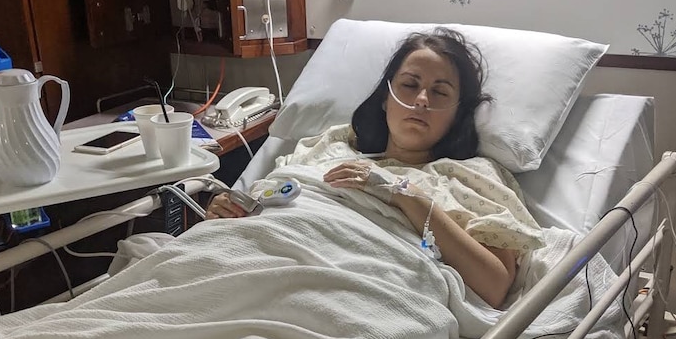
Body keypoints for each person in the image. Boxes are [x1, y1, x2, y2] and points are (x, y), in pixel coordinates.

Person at [206, 28, 544, 309]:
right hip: (252, 265)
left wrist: (405, 195)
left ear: (458, 112)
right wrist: (228, 212)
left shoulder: (474, 177)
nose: (422, 100)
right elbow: (267, 210)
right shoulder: (329, 146)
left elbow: (495, 286)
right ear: (386, 97)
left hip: (354, 293)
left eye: (440, 92)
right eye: (410, 85)